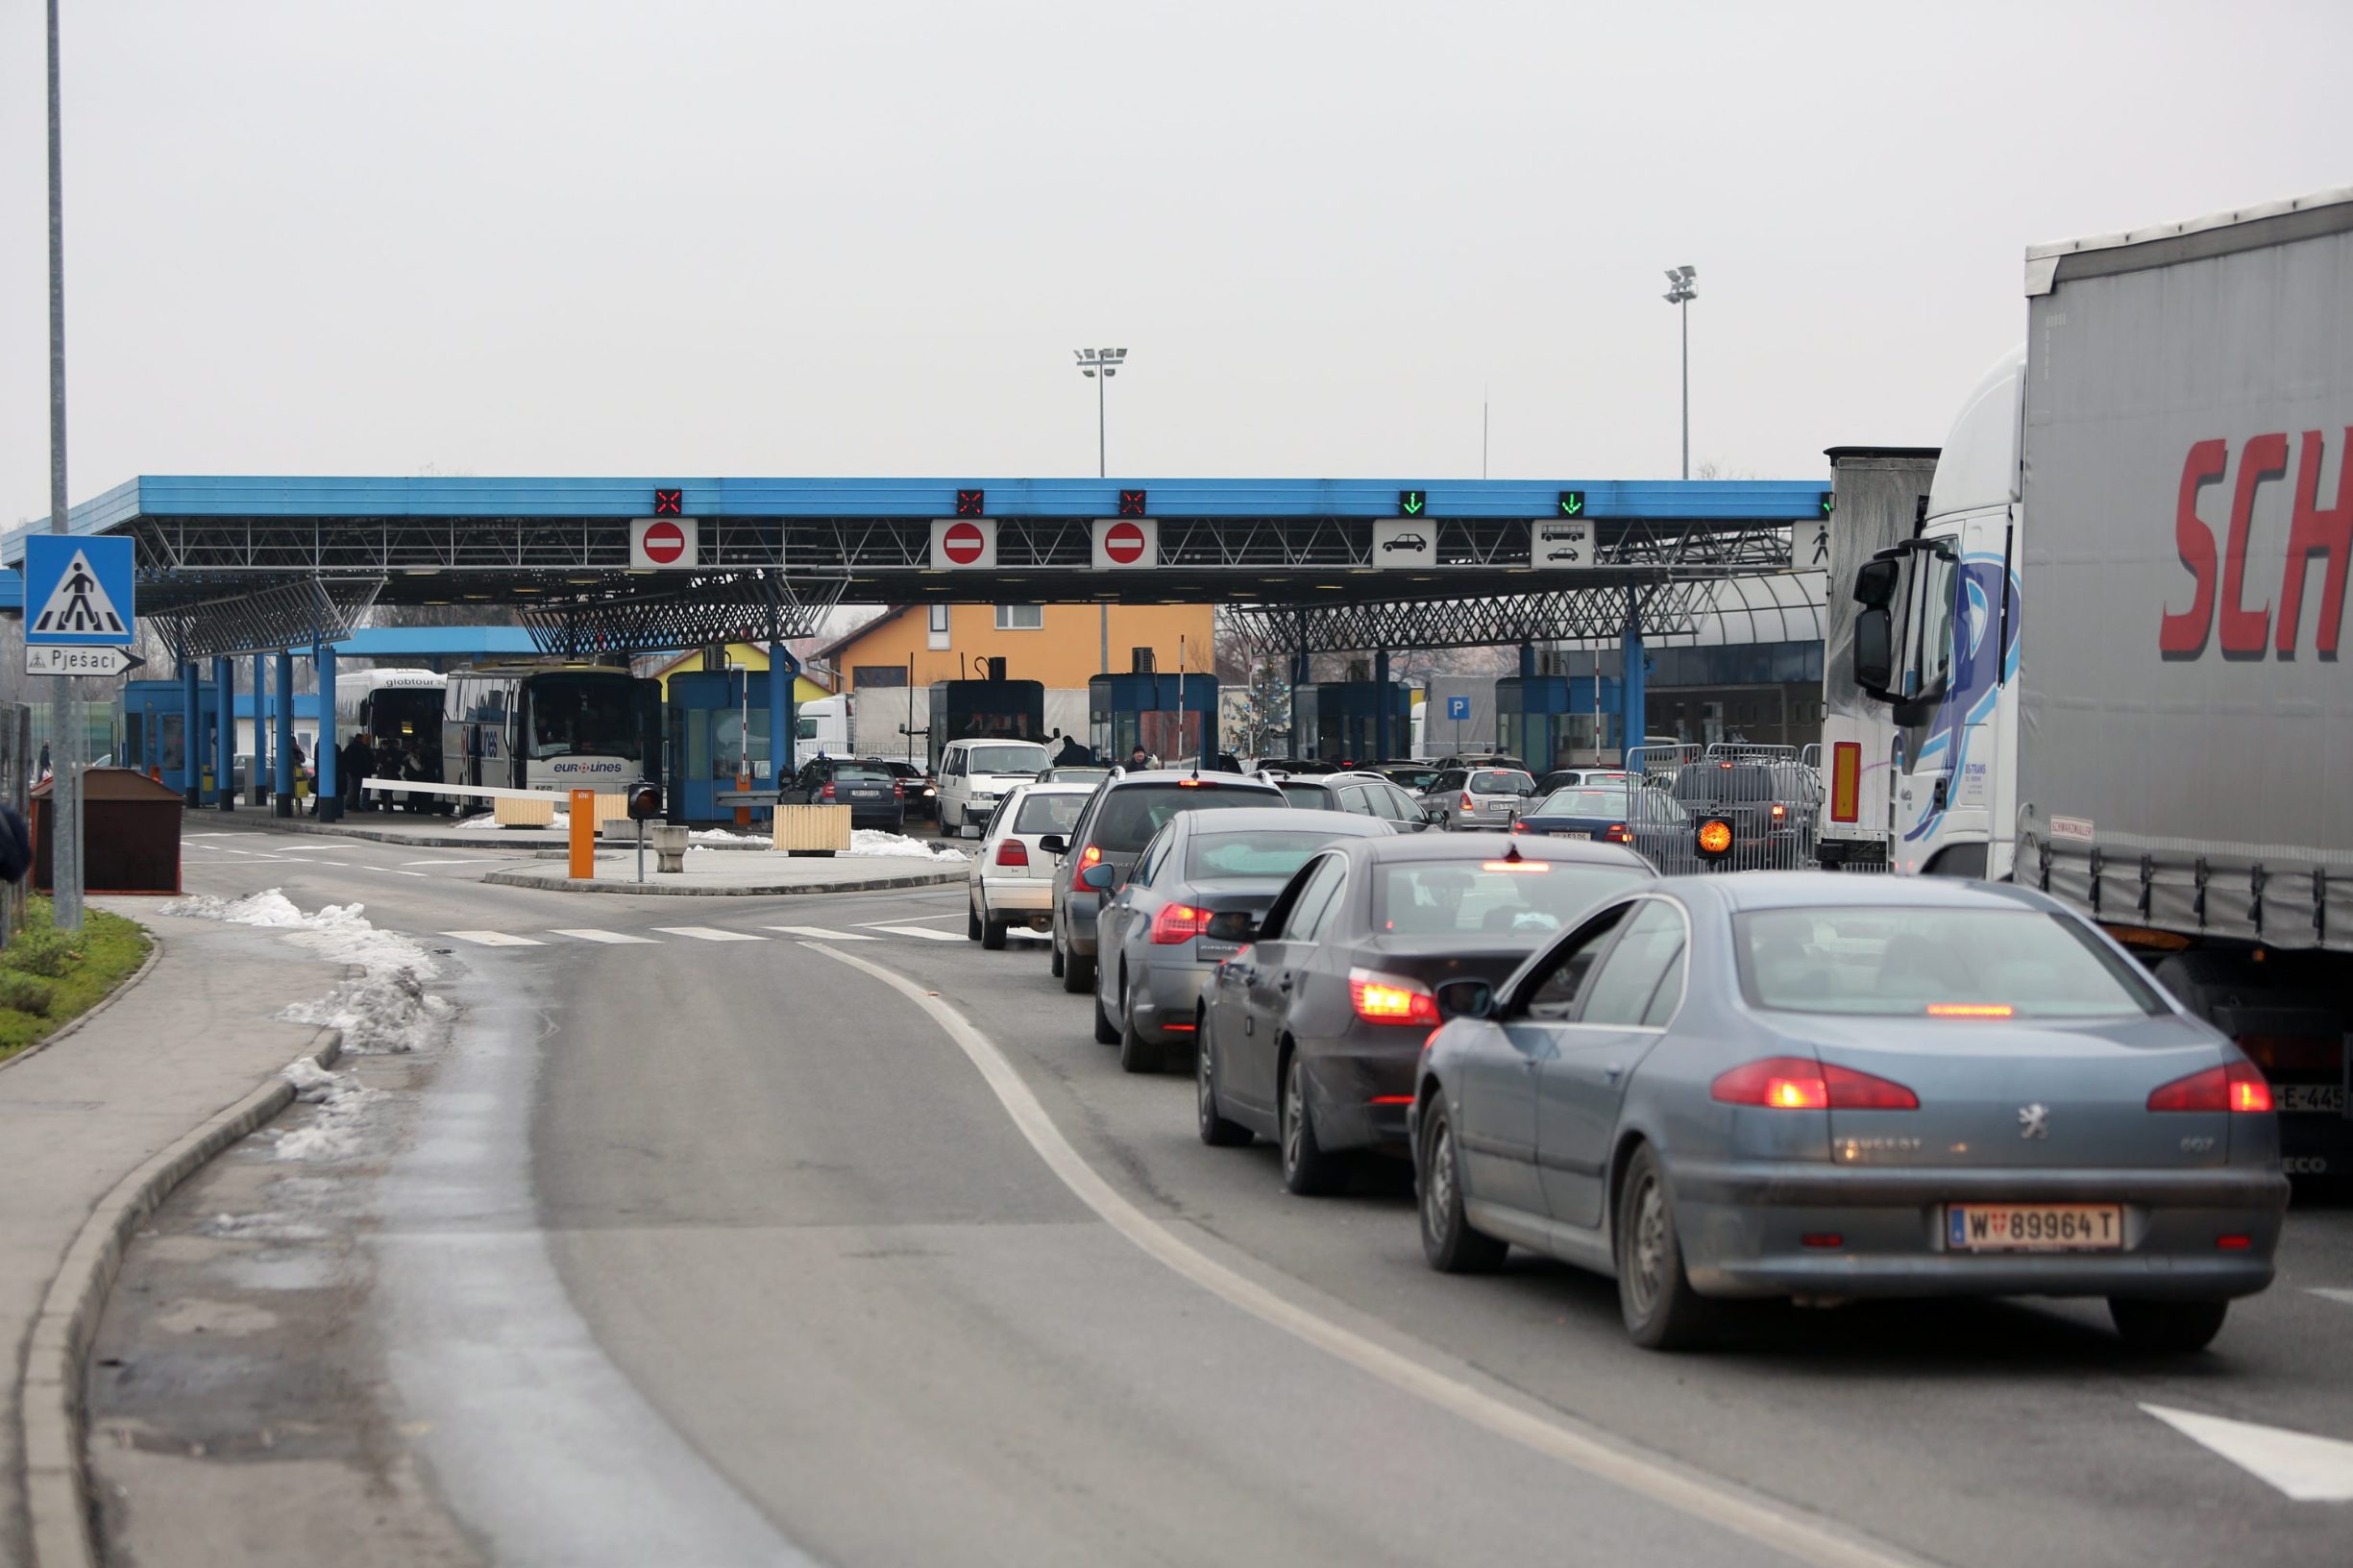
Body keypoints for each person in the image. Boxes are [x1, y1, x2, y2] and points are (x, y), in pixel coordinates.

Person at [340, 730, 373, 814]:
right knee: (355, 789)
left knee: (354, 789)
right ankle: (353, 805)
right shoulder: (360, 747)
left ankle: (351, 805)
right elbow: (363, 760)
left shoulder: (352, 746)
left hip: (354, 771)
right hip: (356, 772)